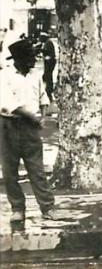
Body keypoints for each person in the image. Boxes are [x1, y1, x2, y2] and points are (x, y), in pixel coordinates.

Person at [0, 38, 56, 223]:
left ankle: (47, 207)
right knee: (10, 171)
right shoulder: (5, 76)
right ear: (17, 59)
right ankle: (17, 208)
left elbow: (43, 99)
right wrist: (33, 118)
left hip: (30, 128)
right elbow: (11, 105)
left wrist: (44, 115)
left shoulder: (36, 75)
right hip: (9, 125)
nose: (33, 60)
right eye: (29, 57)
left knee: (37, 169)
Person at [39, 32, 56, 103]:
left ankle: (49, 90)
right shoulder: (47, 42)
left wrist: (41, 51)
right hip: (49, 61)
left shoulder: (48, 43)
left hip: (49, 62)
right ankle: (48, 90)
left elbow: (48, 53)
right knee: (47, 75)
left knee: (48, 75)